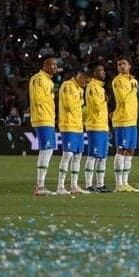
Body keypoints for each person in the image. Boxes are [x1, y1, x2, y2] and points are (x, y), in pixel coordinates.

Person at [57, 70, 90, 194]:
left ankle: (74, 186)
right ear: (79, 76)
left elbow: (79, 110)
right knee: (68, 155)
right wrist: (81, 102)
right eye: (85, 80)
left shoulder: (80, 89)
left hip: (78, 126)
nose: (86, 84)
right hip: (68, 125)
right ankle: (60, 186)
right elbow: (69, 106)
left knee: (78, 156)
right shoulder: (68, 86)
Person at [30, 56, 58, 196]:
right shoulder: (39, 79)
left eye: (56, 65)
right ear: (45, 65)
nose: (55, 67)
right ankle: (40, 186)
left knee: (47, 149)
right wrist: (51, 95)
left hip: (48, 118)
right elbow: (38, 99)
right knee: (46, 150)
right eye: (52, 65)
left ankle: (41, 185)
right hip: (42, 118)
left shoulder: (48, 80)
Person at [112, 56, 139, 192]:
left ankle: (126, 182)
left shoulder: (132, 81)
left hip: (132, 120)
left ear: (129, 66)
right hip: (122, 120)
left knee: (130, 151)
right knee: (121, 150)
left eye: (123, 64)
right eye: (119, 64)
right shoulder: (118, 81)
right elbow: (123, 99)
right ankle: (119, 184)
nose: (121, 66)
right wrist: (133, 89)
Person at [84, 64, 112, 193]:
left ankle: (100, 184)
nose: (103, 72)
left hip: (102, 126)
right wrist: (104, 100)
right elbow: (96, 107)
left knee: (102, 157)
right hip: (95, 126)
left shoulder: (100, 88)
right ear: (94, 73)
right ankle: (89, 185)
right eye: (100, 70)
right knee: (93, 156)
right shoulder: (93, 87)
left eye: (103, 70)